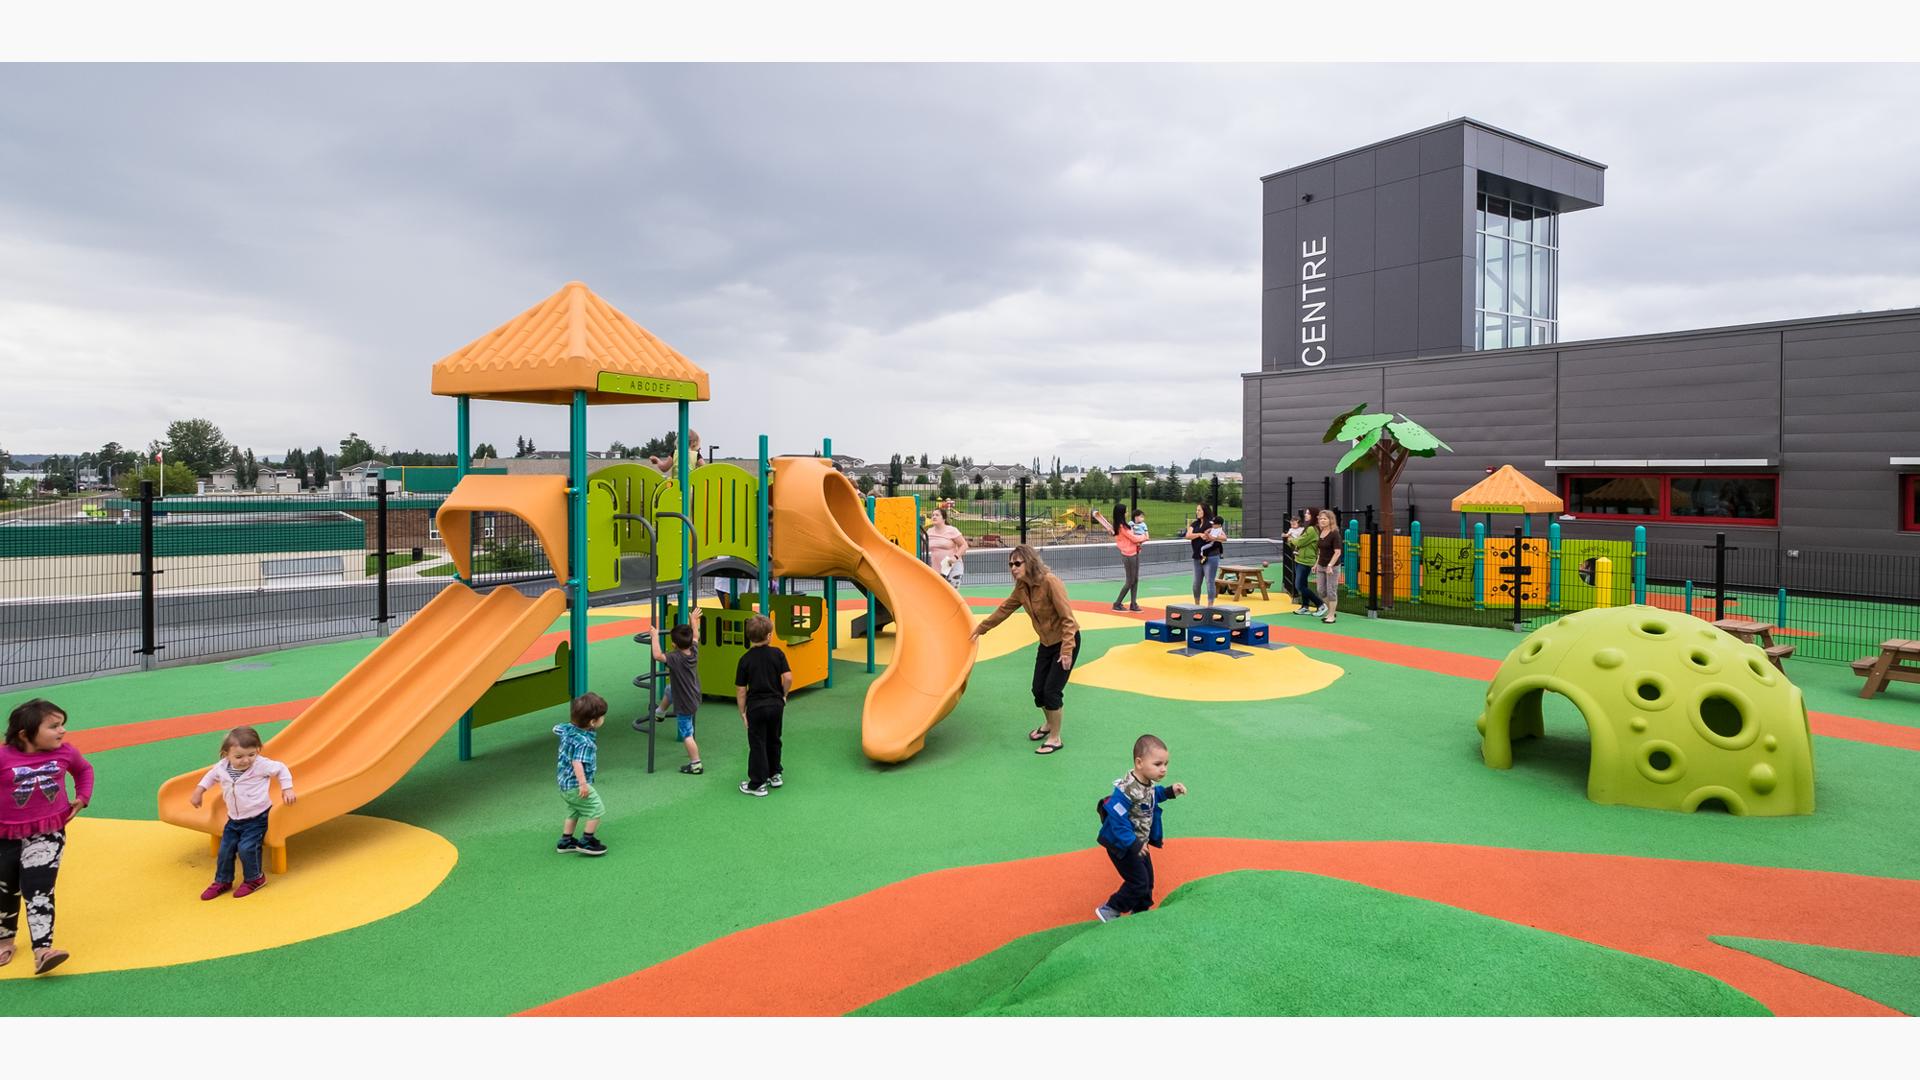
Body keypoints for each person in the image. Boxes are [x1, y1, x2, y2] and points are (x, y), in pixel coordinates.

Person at [0, 698, 91, 975]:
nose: (62, 731)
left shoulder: (65, 752)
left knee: (38, 888)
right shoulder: (4, 757)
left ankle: (42, 950)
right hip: (5, 835)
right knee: (5, 889)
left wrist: (82, 797)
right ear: (25, 734)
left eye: (62, 724)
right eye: (53, 726)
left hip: (48, 834)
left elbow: (84, 769)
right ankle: (5, 938)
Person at [970, 544, 1079, 755]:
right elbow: (1005, 609)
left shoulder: (1050, 582)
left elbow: (1068, 620)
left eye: (1017, 563)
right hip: (1046, 643)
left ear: (1030, 563)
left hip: (1066, 640)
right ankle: (1048, 724)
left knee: (1051, 691)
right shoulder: (1022, 587)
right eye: (1010, 564)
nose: (1013, 567)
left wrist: (1067, 651)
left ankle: (1055, 737)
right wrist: (981, 628)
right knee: (1038, 690)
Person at [189, 726, 296, 900]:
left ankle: (255, 878)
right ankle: (223, 880)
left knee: (247, 848)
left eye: (251, 754)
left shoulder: (261, 765)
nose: (246, 760)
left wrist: (287, 788)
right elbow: (210, 777)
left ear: (258, 751)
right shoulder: (222, 767)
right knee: (225, 849)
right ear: (226, 754)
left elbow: (281, 769)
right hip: (234, 818)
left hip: (257, 817)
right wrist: (199, 791)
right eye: (239, 757)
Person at [1093, 733, 1186, 923]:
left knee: (1148, 881)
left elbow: (1150, 796)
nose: (1163, 769)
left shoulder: (1146, 782)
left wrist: (1169, 792)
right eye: (1158, 764)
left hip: (1138, 843)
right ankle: (1110, 909)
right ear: (1139, 762)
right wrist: (1134, 843)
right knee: (1138, 882)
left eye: (1166, 764)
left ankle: (1141, 913)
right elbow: (1117, 820)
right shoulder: (1126, 790)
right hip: (1124, 845)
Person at [735, 614, 793, 797]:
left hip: (756, 707)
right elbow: (788, 677)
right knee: (774, 738)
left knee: (757, 742)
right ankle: (775, 774)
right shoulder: (778, 654)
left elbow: (741, 689)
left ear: (749, 637)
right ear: (769, 636)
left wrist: (742, 711)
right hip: (776, 705)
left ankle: (757, 783)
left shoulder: (745, 660)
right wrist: (783, 694)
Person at [553, 693, 609, 856]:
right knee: (596, 808)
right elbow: (577, 762)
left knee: (574, 810)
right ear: (593, 722)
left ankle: (566, 841)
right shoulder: (585, 743)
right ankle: (587, 840)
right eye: (602, 717)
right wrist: (583, 784)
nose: (603, 719)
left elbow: (556, 727)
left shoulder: (567, 729)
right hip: (576, 784)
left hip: (564, 784)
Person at [650, 622, 704, 776]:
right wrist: (694, 621)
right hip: (693, 695)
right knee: (669, 689)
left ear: (673, 644)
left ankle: (696, 763)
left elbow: (657, 655)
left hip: (684, 703)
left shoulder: (674, 657)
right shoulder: (693, 651)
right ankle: (660, 712)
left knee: (687, 733)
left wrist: (654, 636)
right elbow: (696, 636)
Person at [1091, 503, 1148, 611]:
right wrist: (1144, 536)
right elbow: (1134, 539)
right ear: (1122, 513)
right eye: (1125, 511)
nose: (1127, 513)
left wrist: (1140, 538)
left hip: (1135, 553)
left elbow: (1131, 537)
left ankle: (1133, 604)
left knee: (1135, 579)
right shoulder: (1121, 527)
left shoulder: (1122, 526)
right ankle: (1117, 603)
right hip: (1128, 555)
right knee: (1130, 581)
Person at [1183, 502, 1228, 605]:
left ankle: (1210, 606)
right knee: (1196, 583)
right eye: (1197, 510)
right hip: (1197, 556)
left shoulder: (1212, 524)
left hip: (1211, 556)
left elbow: (1224, 537)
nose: (1197, 512)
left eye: (1199, 510)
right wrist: (1199, 534)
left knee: (1209, 582)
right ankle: (1196, 605)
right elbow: (1188, 535)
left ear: (1205, 511)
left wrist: (1213, 537)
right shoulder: (1195, 524)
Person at [923, 507, 969, 589]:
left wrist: (955, 557)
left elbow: (964, 545)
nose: (934, 517)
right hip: (938, 568)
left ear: (943, 518)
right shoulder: (929, 532)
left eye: (937, 515)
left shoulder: (951, 530)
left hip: (952, 565)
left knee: (952, 590)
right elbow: (922, 547)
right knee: (940, 592)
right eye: (933, 515)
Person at [1288, 509, 1323, 616]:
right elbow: (1299, 542)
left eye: (1308, 513)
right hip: (1300, 558)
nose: (1305, 515)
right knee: (1303, 584)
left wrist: (1291, 539)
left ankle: (1320, 604)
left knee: (1299, 585)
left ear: (1313, 515)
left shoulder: (1312, 529)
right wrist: (1294, 541)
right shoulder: (1309, 528)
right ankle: (1305, 606)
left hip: (1306, 560)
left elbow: (1299, 541)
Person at [1314, 508, 1344, 625]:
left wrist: (1330, 565)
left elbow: (1337, 552)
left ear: (1330, 520)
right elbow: (1320, 551)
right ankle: (1331, 609)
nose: (1322, 521)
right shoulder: (1321, 532)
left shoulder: (1334, 534)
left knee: (1331, 591)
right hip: (1321, 566)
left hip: (1332, 567)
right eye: (1320, 518)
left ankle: (1331, 615)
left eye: (1325, 519)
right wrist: (1316, 564)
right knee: (1320, 590)